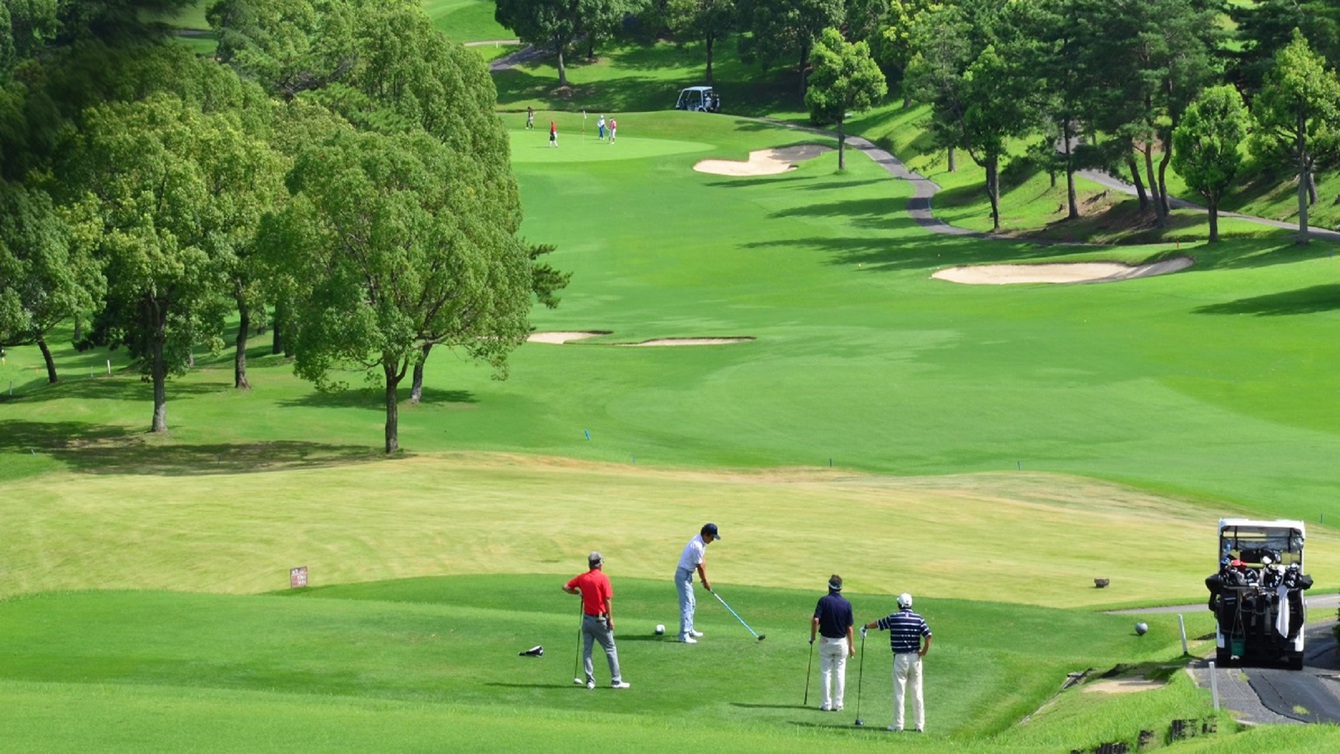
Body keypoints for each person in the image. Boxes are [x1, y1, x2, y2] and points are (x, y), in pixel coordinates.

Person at [864, 592, 932, 733]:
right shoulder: (918, 618)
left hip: (900, 658)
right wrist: (924, 651)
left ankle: (898, 724)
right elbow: (928, 635)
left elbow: (878, 624)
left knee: (899, 692)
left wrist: (865, 626)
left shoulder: (894, 618)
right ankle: (919, 725)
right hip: (915, 658)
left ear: (899, 604)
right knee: (917, 692)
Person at [563, 551, 630, 689]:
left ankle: (590, 681)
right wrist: (611, 619)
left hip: (586, 621)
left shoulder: (583, 578)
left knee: (587, 650)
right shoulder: (603, 578)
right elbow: (607, 600)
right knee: (610, 648)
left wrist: (579, 592)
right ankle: (616, 681)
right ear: (599, 564)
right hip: (600, 620)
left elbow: (566, 587)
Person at [811, 574, 855, 712]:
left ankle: (826, 704)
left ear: (829, 587)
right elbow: (849, 627)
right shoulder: (846, 604)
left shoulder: (823, 601)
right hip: (841, 642)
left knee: (826, 672)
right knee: (840, 672)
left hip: (825, 641)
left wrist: (812, 637)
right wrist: (852, 645)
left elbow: (816, 620)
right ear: (840, 588)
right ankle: (838, 704)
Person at [675, 523, 719, 643]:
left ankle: (689, 630)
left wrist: (705, 579)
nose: (713, 540)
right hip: (683, 575)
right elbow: (700, 567)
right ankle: (683, 635)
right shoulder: (697, 545)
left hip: (687, 575)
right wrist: (705, 581)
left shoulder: (702, 542)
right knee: (687, 604)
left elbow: (702, 561)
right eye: (712, 537)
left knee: (692, 602)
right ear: (706, 534)